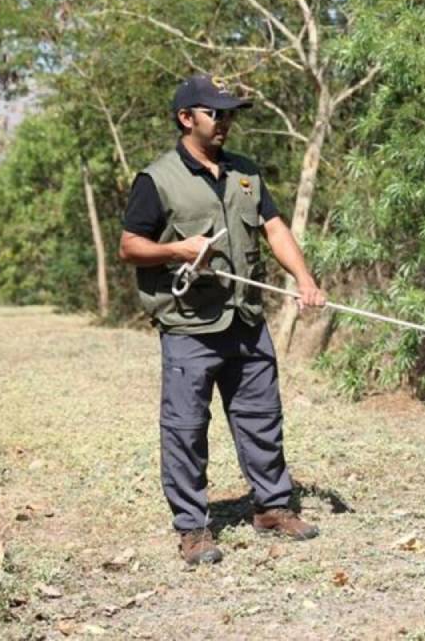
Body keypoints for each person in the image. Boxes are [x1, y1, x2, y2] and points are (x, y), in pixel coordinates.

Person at [119, 74, 326, 565]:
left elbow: (274, 229)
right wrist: (176, 248)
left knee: (262, 419)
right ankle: (193, 528)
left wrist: (304, 279)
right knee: (186, 427)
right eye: (216, 113)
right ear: (186, 117)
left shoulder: (246, 173)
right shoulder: (157, 179)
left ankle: (272, 508)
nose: (226, 122)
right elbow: (130, 247)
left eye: (231, 113)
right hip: (190, 325)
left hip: (246, 318)